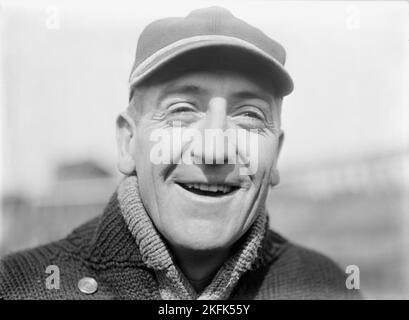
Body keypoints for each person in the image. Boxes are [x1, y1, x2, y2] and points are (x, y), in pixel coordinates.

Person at [0, 6, 358, 300]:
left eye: (249, 116)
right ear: (128, 143)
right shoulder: (18, 288)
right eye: (182, 110)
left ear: (276, 155)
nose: (214, 151)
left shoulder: (325, 287)